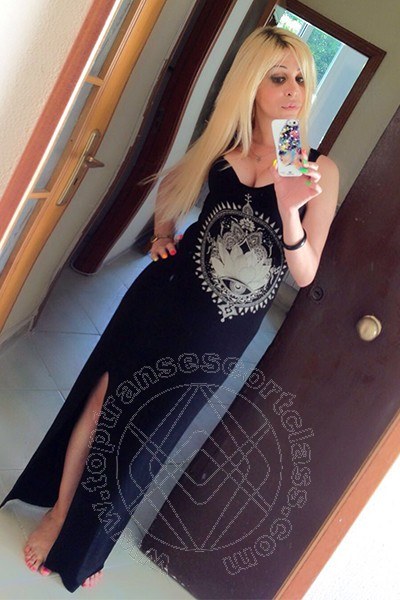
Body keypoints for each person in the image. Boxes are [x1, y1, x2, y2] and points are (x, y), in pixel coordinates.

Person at [0, 26, 339, 592]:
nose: (292, 91)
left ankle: (88, 543)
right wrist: (161, 234)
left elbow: (305, 275)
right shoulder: (225, 150)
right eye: (278, 77)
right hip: (162, 297)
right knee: (99, 404)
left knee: (146, 436)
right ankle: (58, 513)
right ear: (250, 84)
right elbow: (172, 186)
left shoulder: (316, 170)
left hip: (219, 331)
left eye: (301, 78)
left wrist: (289, 210)